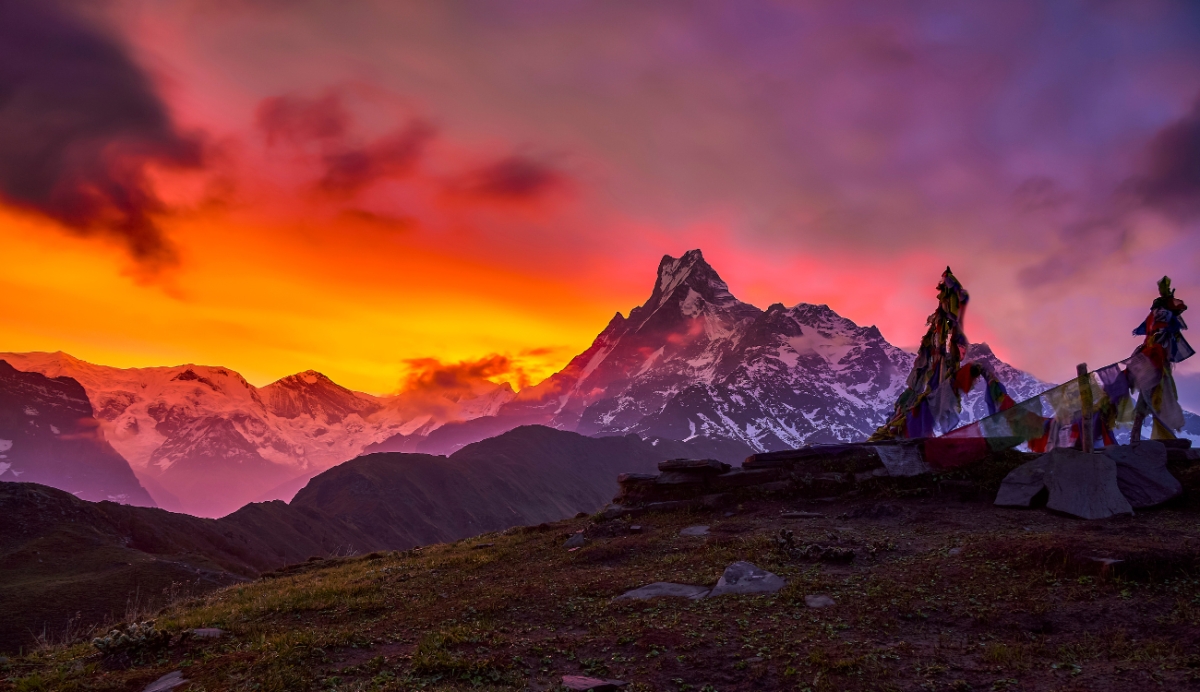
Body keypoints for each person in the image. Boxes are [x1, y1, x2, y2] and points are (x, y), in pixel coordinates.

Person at [1129, 276, 1193, 441]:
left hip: (1152, 361)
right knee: (1156, 396)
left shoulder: (1155, 320)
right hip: (1155, 361)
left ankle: (1143, 435)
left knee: (1152, 397)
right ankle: (1158, 436)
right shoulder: (1163, 318)